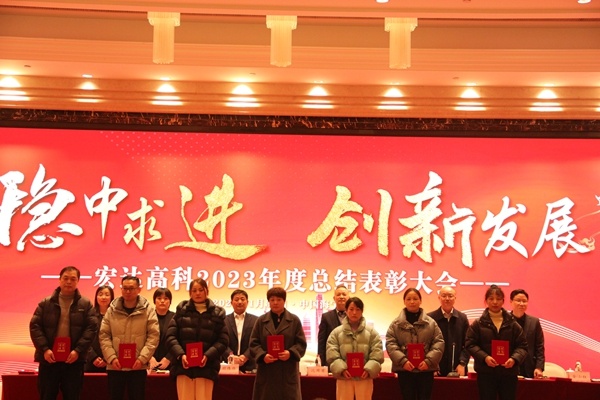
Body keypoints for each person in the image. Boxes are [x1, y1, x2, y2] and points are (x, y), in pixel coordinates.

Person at [30, 266, 98, 400]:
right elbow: (35, 327)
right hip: (49, 359)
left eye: (73, 279)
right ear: (59, 280)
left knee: (72, 396)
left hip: (74, 361)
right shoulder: (46, 303)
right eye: (65, 278)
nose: (69, 282)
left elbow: (91, 328)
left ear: (78, 281)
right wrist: (45, 349)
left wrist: (78, 351)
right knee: (47, 396)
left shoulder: (85, 304)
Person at [165, 278, 228, 400]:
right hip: (183, 367)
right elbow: (170, 337)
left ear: (206, 291)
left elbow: (223, 340)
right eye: (194, 290)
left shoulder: (217, 314)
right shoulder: (181, 312)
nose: (197, 293)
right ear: (190, 293)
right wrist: (181, 355)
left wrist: (208, 356)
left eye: (200, 290)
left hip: (207, 368)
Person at [99, 275, 159, 400]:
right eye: (125, 288)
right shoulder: (112, 309)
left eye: (131, 288)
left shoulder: (148, 310)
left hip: (138, 367)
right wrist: (111, 358)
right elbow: (104, 335)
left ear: (139, 289)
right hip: (115, 366)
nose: (127, 291)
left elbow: (153, 336)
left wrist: (142, 359)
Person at [466, 285, 528, 400]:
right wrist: (485, 357)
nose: (495, 302)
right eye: (491, 299)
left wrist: (514, 359)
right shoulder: (478, 324)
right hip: (486, 373)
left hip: (509, 373)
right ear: (486, 301)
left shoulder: (513, 323)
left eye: (498, 299)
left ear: (503, 301)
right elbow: (470, 344)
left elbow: (523, 346)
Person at [386, 288, 444, 400]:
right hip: (405, 370)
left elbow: (439, 343)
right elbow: (391, 344)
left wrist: (428, 361)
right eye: (408, 299)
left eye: (415, 299)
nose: (412, 302)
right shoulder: (395, 324)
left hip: (425, 370)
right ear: (404, 301)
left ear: (420, 301)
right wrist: (403, 361)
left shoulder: (431, 323)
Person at [250, 287, 307, 400]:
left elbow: (301, 344)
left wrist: (290, 353)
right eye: (272, 300)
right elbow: (253, 344)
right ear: (268, 302)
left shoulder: (294, 320)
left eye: (279, 299)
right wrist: (263, 355)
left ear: (284, 301)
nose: (275, 302)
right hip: (267, 371)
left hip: (287, 371)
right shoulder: (261, 321)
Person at [326, 297, 384, 400]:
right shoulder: (336, 333)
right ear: (346, 310)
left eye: (358, 309)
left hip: (364, 377)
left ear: (362, 311)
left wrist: (369, 369)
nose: (354, 312)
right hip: (344, 377)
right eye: (351, 309)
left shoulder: (372, 333)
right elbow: (332, 354)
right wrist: (342, 369)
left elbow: (377, 354)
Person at [427, 285, 470, 376]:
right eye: (444, 296)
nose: (447, 299)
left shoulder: (462, 318)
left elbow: (468, 344)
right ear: (439, 297)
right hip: (435, 368)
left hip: (458, 368)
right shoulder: (430, 318)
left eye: (450, 296)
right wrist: (431, 365)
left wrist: (462, 363)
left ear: (455, 298)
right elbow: (427, 344)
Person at [510, 288, 545, 379]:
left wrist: (539, 367)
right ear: (511, 302)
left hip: (529, 368)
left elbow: (539, 346)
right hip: (509, 367)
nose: (521, 304)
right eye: (518, 300)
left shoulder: (534, 322)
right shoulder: (504, 320)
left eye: (524, 301)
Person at [221, 289, 258, 372]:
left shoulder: (256, 320)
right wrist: (231, 356)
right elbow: (221, 341)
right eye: (236, 299)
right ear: (231, 303)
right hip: (228, 364)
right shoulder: (223, 320)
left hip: (250, 364)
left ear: (247, 302)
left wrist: (245, 356)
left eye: (242, 299)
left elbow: (257, 341)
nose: (240, 302)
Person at [318, 285, 349, 368]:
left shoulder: (354, 317)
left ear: (348, 298)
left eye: (344, 294)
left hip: (350, 360)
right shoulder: (326, 317)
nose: (341, 297)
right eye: (338, 294)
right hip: (331, 361)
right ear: (334, 298)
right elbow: (322, 341)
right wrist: (322, 362)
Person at [85, 285, 115, 372]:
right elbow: (85, 338)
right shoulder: (89, 315)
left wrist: (107, 358)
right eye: (100, 294)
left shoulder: (116, 316)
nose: (103, 297)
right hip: (90, 361)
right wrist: (93, 357)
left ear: (112, 297)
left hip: (111, 361)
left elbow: (117, 338)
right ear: (96, 297)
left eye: (107, 294)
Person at [149, 287, 175, 372]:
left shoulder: (175, 318)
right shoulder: (148, 317)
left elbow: (179, 341)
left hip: (170, 364)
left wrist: (169, 358)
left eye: (166, 298)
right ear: (154, 301)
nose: (162, 301)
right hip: (149, 363)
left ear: (170, 301)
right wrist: (149, 357)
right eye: (159, 298)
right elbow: (142, 339)